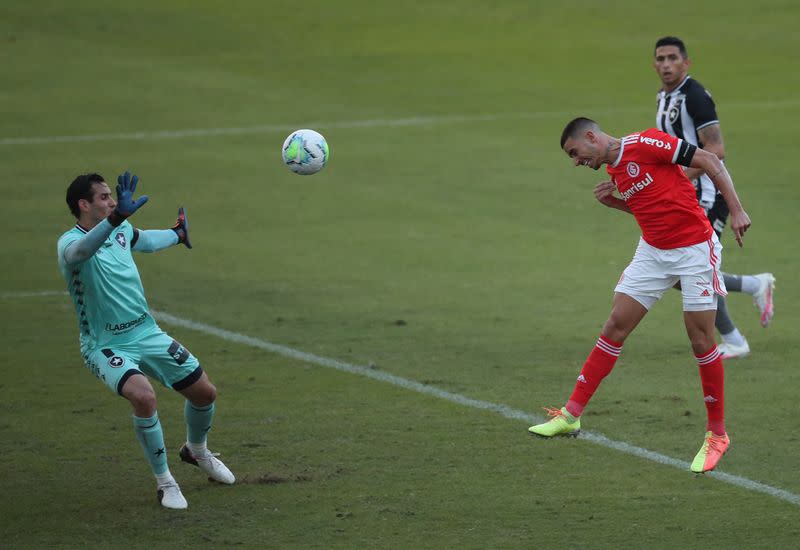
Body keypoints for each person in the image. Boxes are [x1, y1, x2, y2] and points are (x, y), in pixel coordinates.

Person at [528, 117, 751, 473]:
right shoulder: (616, 170)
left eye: (575, 153)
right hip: (653, 252)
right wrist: (616, 204)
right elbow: (651, 207)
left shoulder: (646, 144)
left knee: (700, 338)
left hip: (694, 248)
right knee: (616, 324)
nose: (575, 161)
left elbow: (710, 160)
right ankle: (571, 414)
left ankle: (717, 434)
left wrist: (737, 210)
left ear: (590, 136)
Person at [57, 171, 235, 509]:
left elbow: (143, 240)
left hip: (146, 332)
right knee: (143, 396)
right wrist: (116, 217)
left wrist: (176, 233)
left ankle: (196, 451)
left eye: (112, 197)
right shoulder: (69, 242)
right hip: (105, 344)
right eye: (104, 197)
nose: (112, 201)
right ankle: (165, 482)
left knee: (205, 393)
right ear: (84, 204)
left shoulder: (120, 228)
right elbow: (81, 253)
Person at [653, 36, 775, 359]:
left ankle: (734, 340)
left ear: (686, 62)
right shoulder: (664, 97)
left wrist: (675, 178)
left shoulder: (695, 97)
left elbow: (716, 150)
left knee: (692, 272)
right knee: (683, 274)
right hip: (685, 196)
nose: (666, 64)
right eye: (660, 59)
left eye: (672, 58)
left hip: (708, 196)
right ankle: (753, 285)